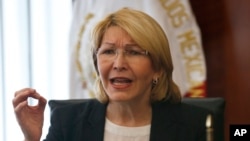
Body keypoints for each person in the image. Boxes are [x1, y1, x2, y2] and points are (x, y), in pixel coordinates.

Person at [13, 8, 210, 141]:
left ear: (158, 68)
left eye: (133, 52)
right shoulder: (69, 122)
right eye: (108, 52)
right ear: (97, 64)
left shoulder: (193, 125)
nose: (119, 64)